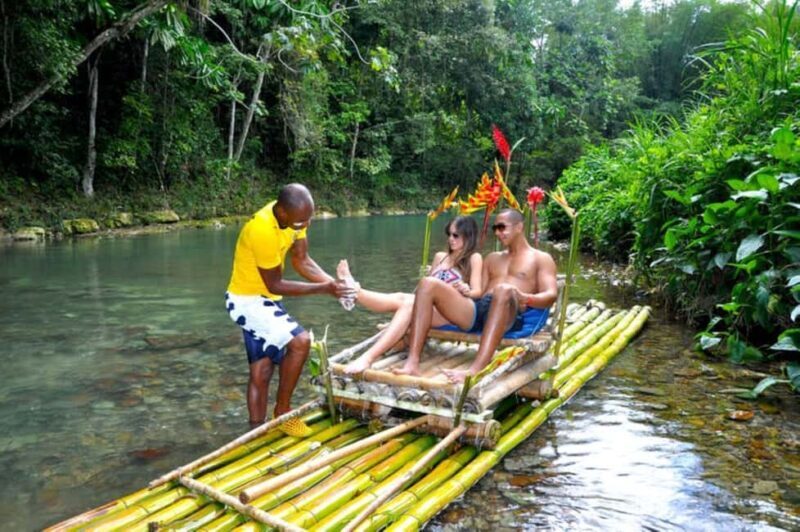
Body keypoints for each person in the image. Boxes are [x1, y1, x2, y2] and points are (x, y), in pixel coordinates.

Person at [225, 183, 352, 432]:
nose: (304, 226)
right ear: (282, 212)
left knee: (261, 371)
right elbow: (276, 283)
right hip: (247, 301)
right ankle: (282, 413)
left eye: (308, 220)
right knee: (300, 342)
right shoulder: (262, 229)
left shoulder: (295, 220)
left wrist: (334, 284)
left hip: (266, 300)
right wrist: (325, 289)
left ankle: (254, 432)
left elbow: (302, 260)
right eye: (300, 222)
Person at [394, 208, 558, 383]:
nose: (498, 233)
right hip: (480, 310)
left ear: (519, 227)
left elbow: (551, 295)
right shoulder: (492, 258)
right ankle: (412, 363)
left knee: (503, 290)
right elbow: (477, 294)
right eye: (495, 228)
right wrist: (459, 289)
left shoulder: (541, 258)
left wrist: (526, 298)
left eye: (502, 227)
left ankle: (475, 369)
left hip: (509, 312)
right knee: (428, 283)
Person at [338, 215, 483, 374]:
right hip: (430, 310)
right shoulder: (440, 257)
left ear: (468, 235)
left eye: (456, 235)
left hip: (452, 312)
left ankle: (355, 296)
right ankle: (354, 292)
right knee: (403, 298)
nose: (451, 239)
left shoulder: (474, 258)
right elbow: (425, 290)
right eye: (449, 234)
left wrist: (466, 289)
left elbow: (478, 292)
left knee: (408, 304)